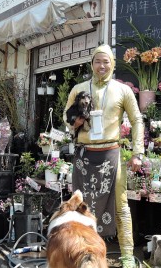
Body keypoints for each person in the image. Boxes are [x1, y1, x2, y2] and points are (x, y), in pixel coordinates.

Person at [63, 44, 144, 267]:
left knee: (121, 205)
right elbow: (65, 116)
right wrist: (74, 122)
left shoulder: (122, 90)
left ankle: (127, 255)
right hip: (84, 155)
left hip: (112, 155)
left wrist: (138, 152)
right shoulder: (78, 88)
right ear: (92, 64)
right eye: (98, 61)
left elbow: (137, 120)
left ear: (113, 64)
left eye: (106, 61)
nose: (102, 66)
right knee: (80, 206)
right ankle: (83, 254)